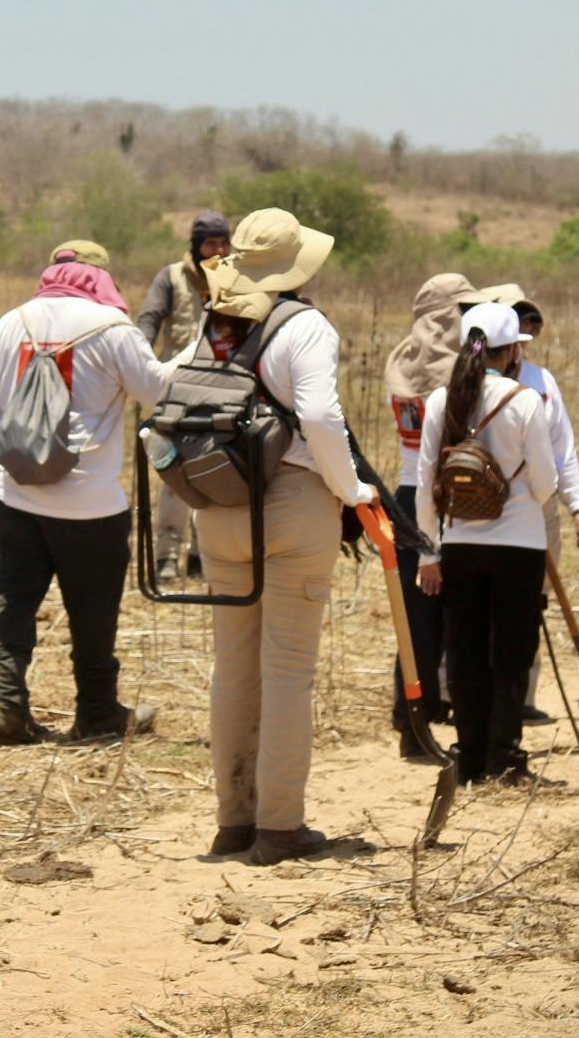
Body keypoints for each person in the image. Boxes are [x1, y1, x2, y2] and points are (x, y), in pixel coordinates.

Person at [193, 209, 375, 865]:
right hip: (293, 503)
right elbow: (321, 416)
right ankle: (279, 826)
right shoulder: (304, 325)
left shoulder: (215, 323)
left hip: (218, 501)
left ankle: (233, 823)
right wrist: (351, 490)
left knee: (233, 668)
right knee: (289, 671)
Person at [0, 257, 169, 745]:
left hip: (16, 497)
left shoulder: (9, 324)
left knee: (12, 600)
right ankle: (97, 711)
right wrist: (196, 349)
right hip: (91, 507)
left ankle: (3, 700)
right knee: (93, 612)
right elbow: (156, 391)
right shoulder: (115, 329)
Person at [415, 302, 559, 786]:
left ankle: (470, 756)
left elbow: (426, 482)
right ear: (513, 350)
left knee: (465, 650)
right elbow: (545, 482)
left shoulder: (442, 400)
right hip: (520, 545)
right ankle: (504, 756)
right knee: (512, 652)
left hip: (459, 542)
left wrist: (429, 551)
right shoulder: (525, 400)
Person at [481, 285, 579, 724]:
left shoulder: (542, 382)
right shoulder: (465, 382)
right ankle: (472, 697)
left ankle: (521, 696)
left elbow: (562, 448)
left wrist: (577, 503)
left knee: (532, 603)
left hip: (538, 507)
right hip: (479, 510)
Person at [383, 273, 481, 757]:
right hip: (446, 497)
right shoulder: (456, 371)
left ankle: (412, 721)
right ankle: (430, 721)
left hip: (405, 497)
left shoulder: (400, 360)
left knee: (416, 621)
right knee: (446, 618)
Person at [137, 211, 235, 583]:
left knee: (215, 470)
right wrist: (140, 364)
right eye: (211, 243)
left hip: (222, 392)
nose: (219, 250)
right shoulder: (172, 277)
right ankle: (166, 555)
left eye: (224, 242)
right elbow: (149, 320)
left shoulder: (235, 281)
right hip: (176, 393)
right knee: (174, 474)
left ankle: (200, 554)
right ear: (196, 246)